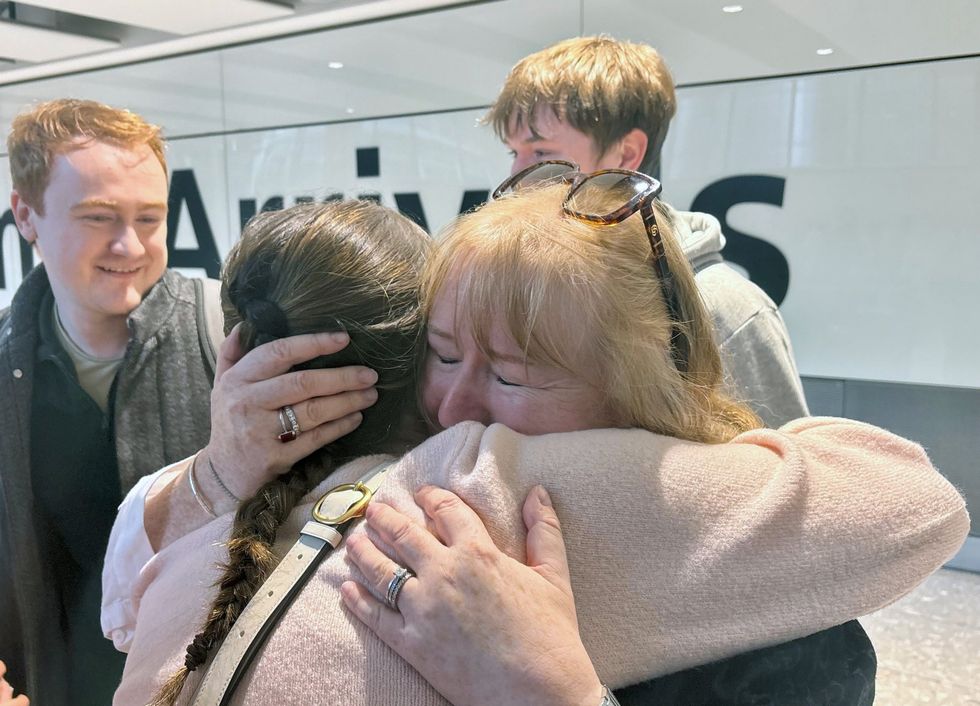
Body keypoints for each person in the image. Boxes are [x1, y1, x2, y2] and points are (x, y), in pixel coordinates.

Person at [106, 178, 967, 705]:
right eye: (439, 355)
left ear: (636, 386)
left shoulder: (481, 475)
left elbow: (124, 599)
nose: (451, 403)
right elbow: (914, 495)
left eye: (514, 373)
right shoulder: (449, 472)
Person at [0, 99, 376, 706]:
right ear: (26, 213)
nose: (129, 246)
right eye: (97, 217)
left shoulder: (226, 335)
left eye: (149, 218)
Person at [486, 35, 808, 427]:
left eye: (541, 153)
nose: (516, 178)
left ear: (626, 154)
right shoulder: (530, 281)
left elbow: (788, 466)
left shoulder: (724, 306)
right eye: (513, 153)